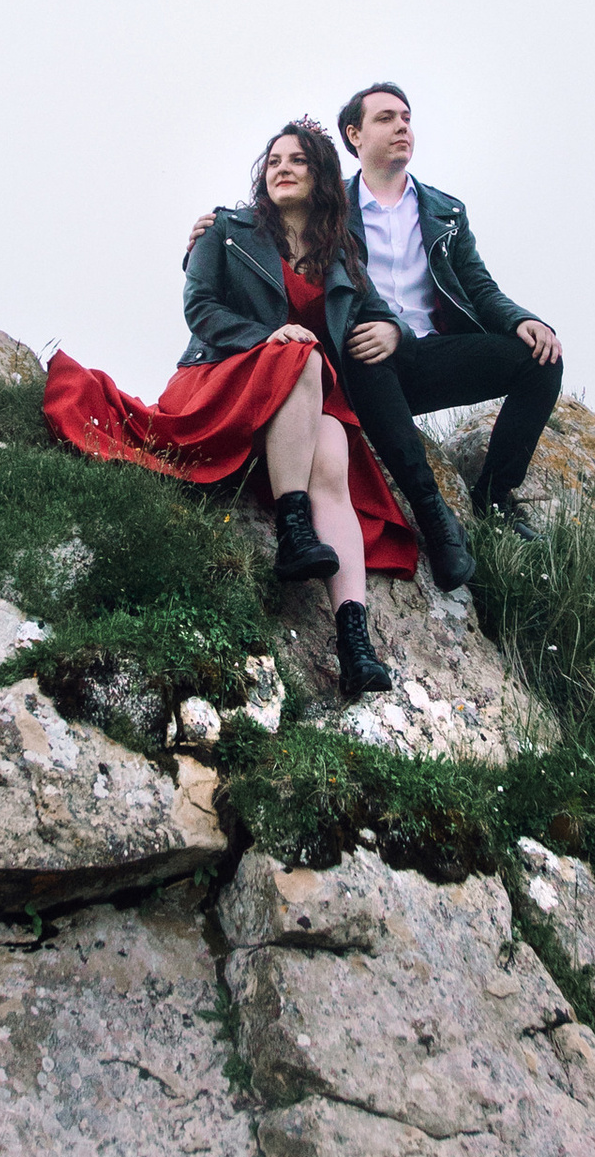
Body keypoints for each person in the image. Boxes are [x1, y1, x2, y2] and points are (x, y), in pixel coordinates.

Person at [42, 120, 414, 700]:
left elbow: (377, 308)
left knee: (336, 455)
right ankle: (294, 530)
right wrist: (271, 337)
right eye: (273, 162)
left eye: (297, 160)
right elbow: (201, 309)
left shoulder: (340, 251)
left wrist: (389, 329)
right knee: (306, 356)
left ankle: (353, 643)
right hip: (223, 375)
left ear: (320, 175)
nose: (282, 168)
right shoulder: (226, 230)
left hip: (304, 392)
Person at [333, 80, 563, 581]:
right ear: (355, 135)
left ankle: (495, 501)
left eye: (407, 118)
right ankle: (436, 518)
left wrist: (523, 319)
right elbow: (270, 221)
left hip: (430, 356)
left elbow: (479, 286)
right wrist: (216, 227)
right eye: (386, 118)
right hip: (369, 367)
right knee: (363, 348)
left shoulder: (444, 210)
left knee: (540, 359)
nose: (402, 127)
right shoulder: (332, 211)